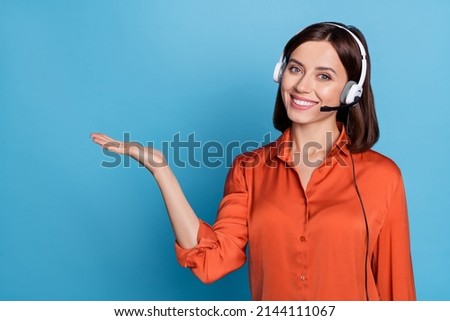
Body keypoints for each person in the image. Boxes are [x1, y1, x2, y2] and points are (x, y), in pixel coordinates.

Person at [91, 22, 416, 301]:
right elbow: (211, 261)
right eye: (295, 68)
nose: (302, 85)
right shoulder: (249, 170)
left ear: (350, 92)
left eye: (324, 76)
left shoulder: (382, 177)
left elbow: (396, 288)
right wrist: (160, 170)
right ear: (281, 72)